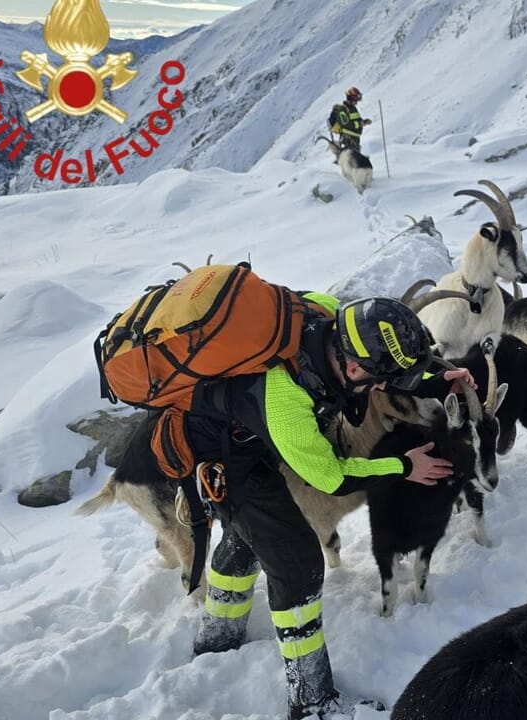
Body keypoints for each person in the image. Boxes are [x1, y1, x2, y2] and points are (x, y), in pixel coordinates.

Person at [187, 292, 472, 720]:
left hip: (247, 429)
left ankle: (218, 636)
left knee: (252, 533)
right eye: (376, 383)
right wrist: (403, 466)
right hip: (221, 453)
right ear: (353, 369)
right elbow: (333, 479)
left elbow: (385, 368)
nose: (379, 390)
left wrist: (438, 377)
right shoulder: (287, 401)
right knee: (297, 561)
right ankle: (312, 701)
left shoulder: (330, 317)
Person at [328, 86, 371, 152]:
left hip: (355, 139)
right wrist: (360, 124)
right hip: (347, 139)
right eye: (355, 100)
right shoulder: (342, 109)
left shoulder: (353, 109)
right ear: (351, 98)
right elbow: (346, 124)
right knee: (350, 157)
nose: (356, 102)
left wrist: (365, 121)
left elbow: (357, 119)